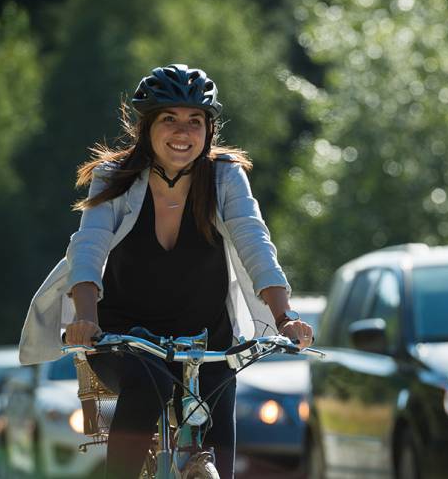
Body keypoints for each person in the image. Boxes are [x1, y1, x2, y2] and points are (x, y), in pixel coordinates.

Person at [19, 64, 313, 478]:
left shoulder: (225, 176)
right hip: (126, 340)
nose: (183, 132)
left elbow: (254, 242)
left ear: (209, 130)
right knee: (146, 379)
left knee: (219, 422)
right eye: (169, 119)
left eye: (195, 121)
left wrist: (285, 317)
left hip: (207, 339)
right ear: (146, 127)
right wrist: (85, 317)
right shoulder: (114, 176)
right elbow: (89, 246)